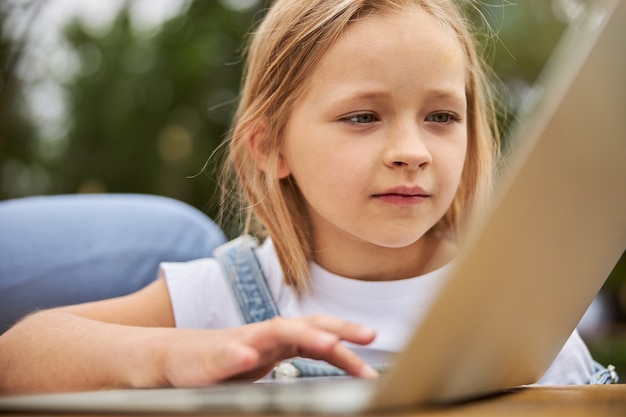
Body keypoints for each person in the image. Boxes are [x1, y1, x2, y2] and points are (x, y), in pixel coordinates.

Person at [0, 0, 614, 394]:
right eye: (363, 117)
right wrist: (170, 353)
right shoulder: (227, 292)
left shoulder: (519, 307)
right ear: (271, 149)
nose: (413, 150)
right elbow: (19, 354)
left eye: (442, 117)